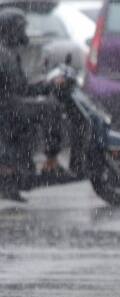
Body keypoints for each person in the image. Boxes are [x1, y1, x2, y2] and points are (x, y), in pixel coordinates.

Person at [0, 7, 65, 202]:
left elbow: (20, 88)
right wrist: (48, 87)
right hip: (6, 106)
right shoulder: (4, 54)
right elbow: (19, 89)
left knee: (41, 108)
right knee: (50, 108)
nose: (24, 34)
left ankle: (17, 172)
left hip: (8, 104)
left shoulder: (7, 51)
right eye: (21, 29)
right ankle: (51, 161)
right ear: (12, 30)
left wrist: (46, 85)